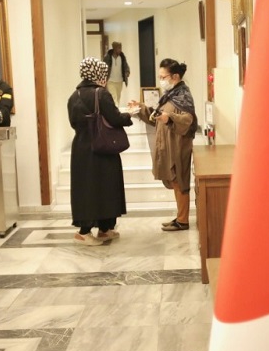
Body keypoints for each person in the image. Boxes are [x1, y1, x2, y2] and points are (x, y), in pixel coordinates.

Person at [68, 57, 132, 245]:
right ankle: (85, 232)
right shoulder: (101, 94)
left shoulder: (74, 96)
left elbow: (73, 122)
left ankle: (103, 229)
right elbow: (115, 118)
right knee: (106, 187)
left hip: (81, 148)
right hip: (102, 148)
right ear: (99, 74)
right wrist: (130, 115)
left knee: (87, 188)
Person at [130, 58, 197, 232]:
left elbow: (188, 120)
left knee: (180, 180)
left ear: (175, 76)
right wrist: (141, 108)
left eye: (163, 77)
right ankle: (180, 217)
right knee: (174, 181)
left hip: (178, 145)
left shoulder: (183, 96)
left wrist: (171, 118)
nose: (161, 80)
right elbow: (157, 117)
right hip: (168, 143)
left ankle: (183, 221)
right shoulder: (171, 94)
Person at [103, 41, 130, 105]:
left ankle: (115, 111)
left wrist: (127, 72)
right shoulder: (107, 57)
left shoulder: (122, 57)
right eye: (119, 48)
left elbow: (126, 66)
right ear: (114, 48)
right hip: (110, 81)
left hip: (119, 81)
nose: (120, 50)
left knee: (118, 98)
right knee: (114, 98)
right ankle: (116, 112)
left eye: (121, 48)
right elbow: (104, 67)